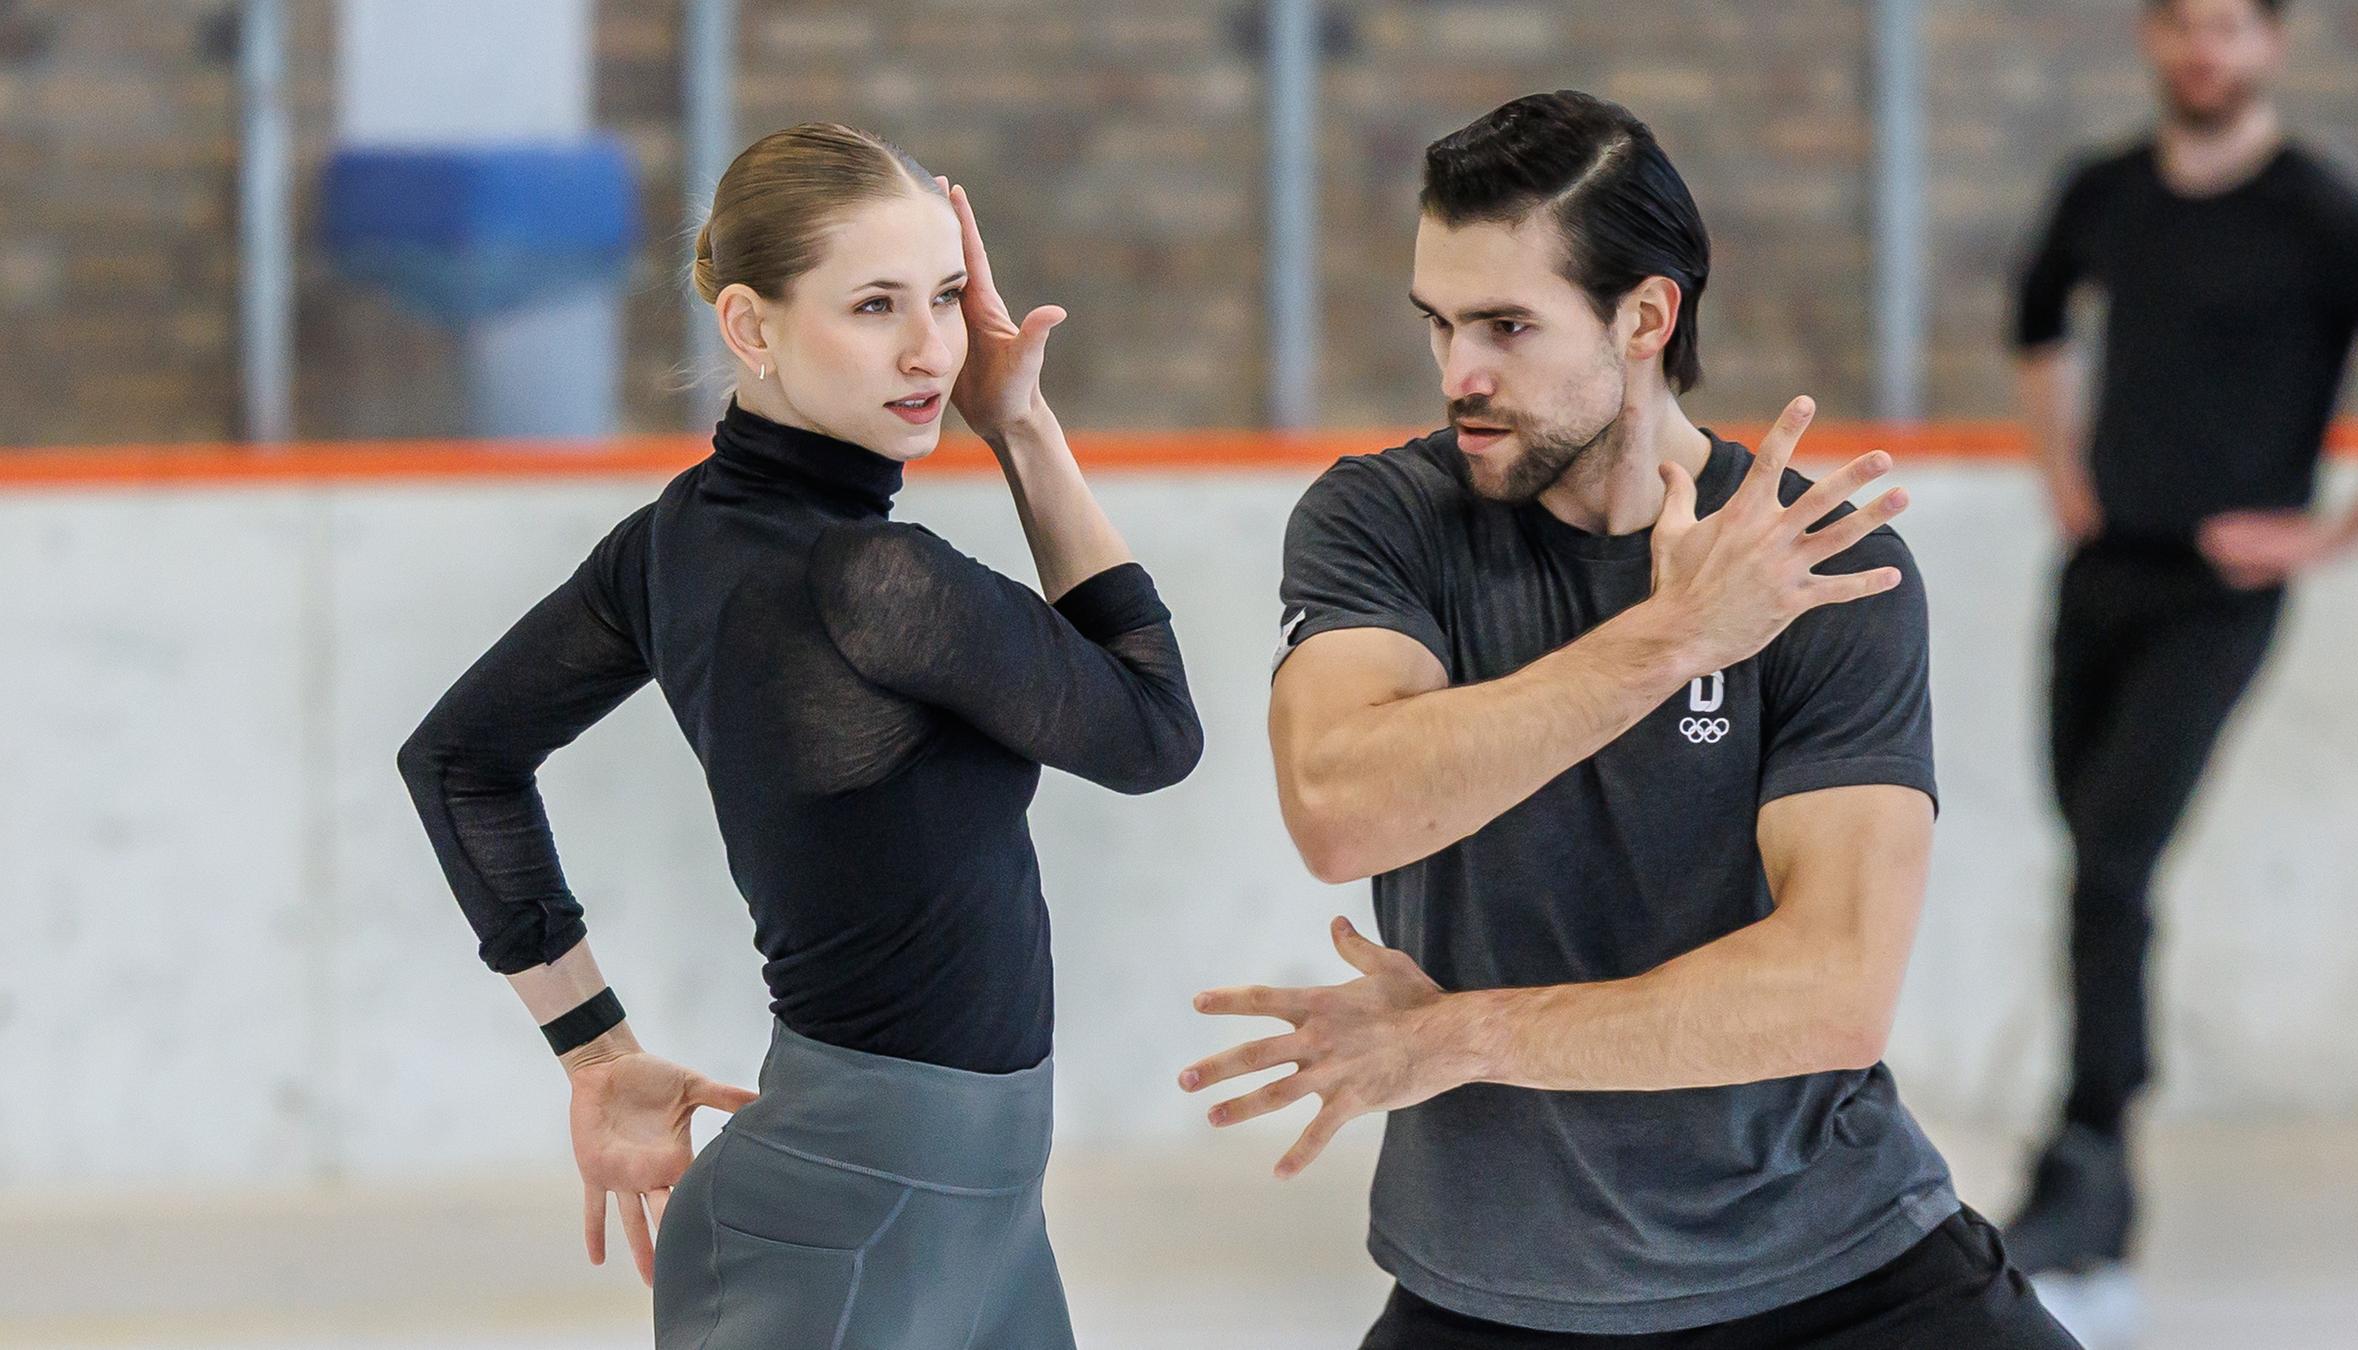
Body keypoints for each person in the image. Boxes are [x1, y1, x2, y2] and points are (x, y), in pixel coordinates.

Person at [1180, 92, 2079, 1348]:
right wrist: (1668, 643)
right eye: (1438, 324)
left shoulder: (1814, 567)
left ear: (1646, 317)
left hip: (1837, 1265)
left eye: (1507, 326)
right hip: (1492, 1295)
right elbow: (1341, 809)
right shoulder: (1381, 521)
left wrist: (1458, 1037)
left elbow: (1830, 991)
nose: (1458, 375)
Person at [397, 123, 1201, 1350]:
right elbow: (1154, 729)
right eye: (875, 305)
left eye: (944, 297)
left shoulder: (673, 541)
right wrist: (1024, 431)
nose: (933, 349)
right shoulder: (880, 578)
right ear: (750, 327)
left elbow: (460, 764)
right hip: (855, 1215)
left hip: (960, 1213)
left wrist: (595, 1053)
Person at [2006, 0, 2358, 1280]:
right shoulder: (2108, 189)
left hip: (2218, 595)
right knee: (2090, 854)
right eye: (2182, 25)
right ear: (2151, 38)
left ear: (2272, 44)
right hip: (2102, 571)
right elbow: (2038, 317)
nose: (2204, 52)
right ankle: (2097, 1145)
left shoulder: (2325, 216)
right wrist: (2062, 472)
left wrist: (2329, 538)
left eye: (2230, 28)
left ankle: (2090, 1152)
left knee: (2114, 862)